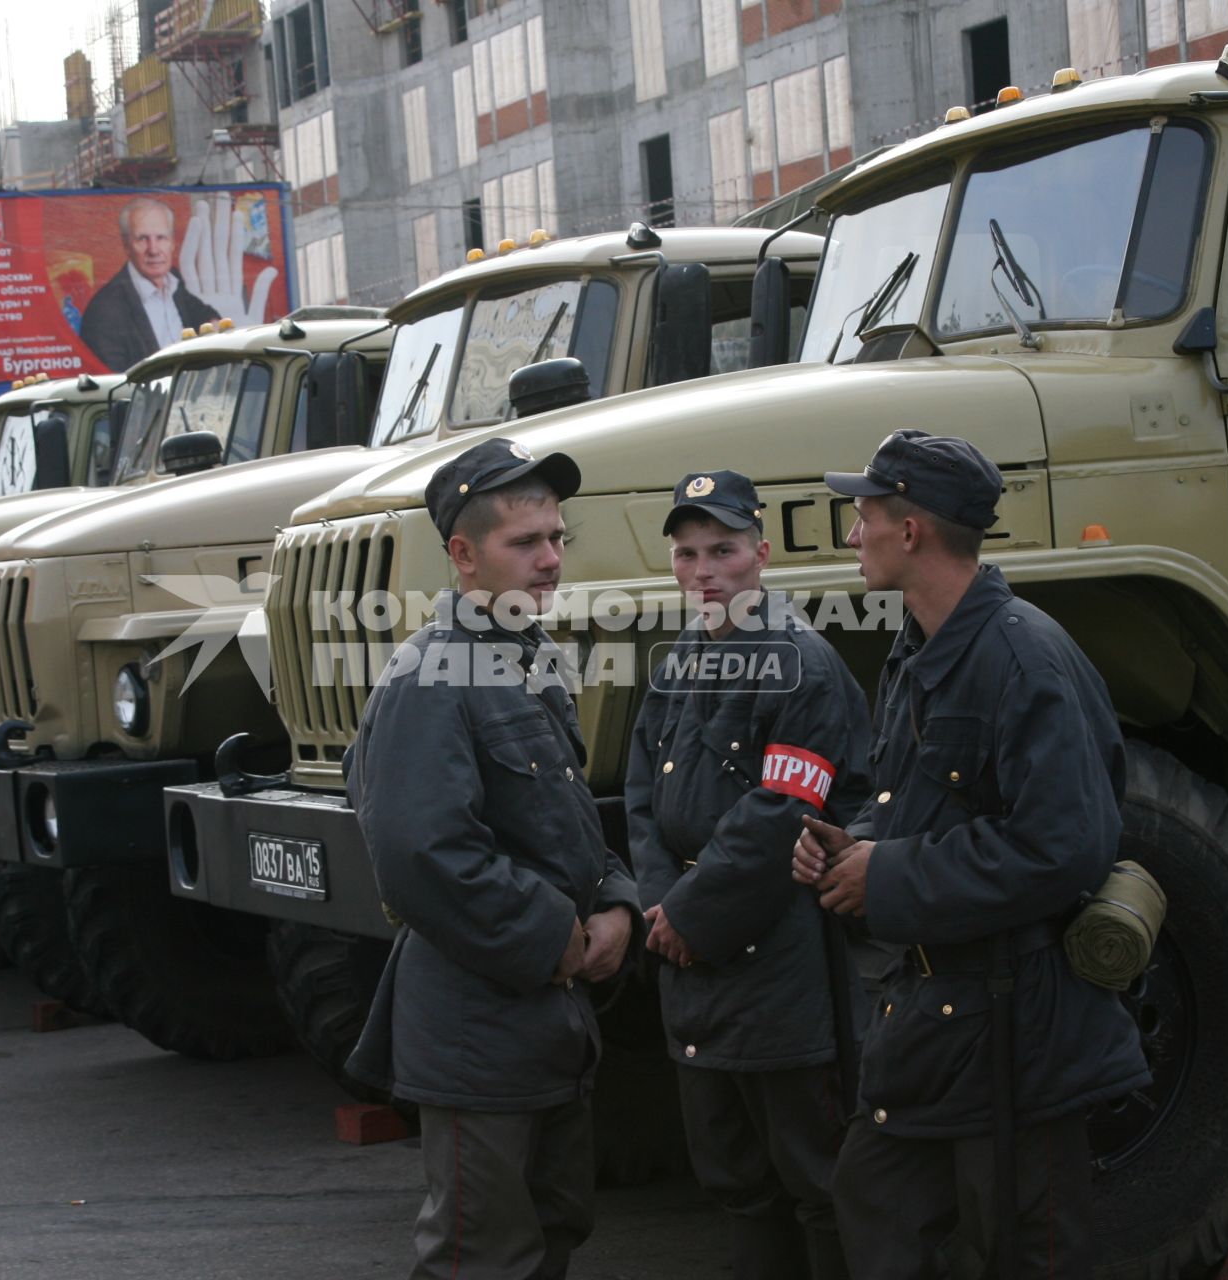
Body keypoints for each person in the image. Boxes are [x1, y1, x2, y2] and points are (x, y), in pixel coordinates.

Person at [793, 429, 1149, 1278]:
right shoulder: (920, 651)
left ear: (910, 530)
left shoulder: (1023, 657)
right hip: (939, 1020)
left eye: (864, 516)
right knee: (877, 1210)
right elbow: (932, 807)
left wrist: (893, 874)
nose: (852, 536)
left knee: (1028, 1248)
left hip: (1020, 1029)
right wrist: (860, 850)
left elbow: (1064, 847)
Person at [344, 437, 641, 1280]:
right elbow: (421, 855)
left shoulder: (525, 659)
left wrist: (615, 900)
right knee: (482, 1255)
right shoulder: (429, 678)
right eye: (525, 543)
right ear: (464, 556)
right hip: (480, 1031)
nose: (550, 559)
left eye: (556, 538)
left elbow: (563, 820)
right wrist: (557, 937)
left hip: (546, 1028)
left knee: (551, 1234)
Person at [626, 470, 870, 1280]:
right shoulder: (677, 663)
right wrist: (663, 904)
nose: (704, 570)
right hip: (691, 959)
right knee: (734, 1179)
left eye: (722, 550)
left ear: (761, 554)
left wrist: (693, 917)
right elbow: (641, 794)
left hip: (779, 959)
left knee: (816, 1176)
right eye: (688, 553)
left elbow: (783, 816)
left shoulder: (802, 664)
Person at [77, 197, 220, 373]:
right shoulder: (104, 311)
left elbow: (201, 312)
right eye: (142, 239)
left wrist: (219, 325)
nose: (153, 250)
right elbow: (114, 384)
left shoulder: (173, 281)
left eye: (161, 238)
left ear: (172, 243)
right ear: (126, 246)